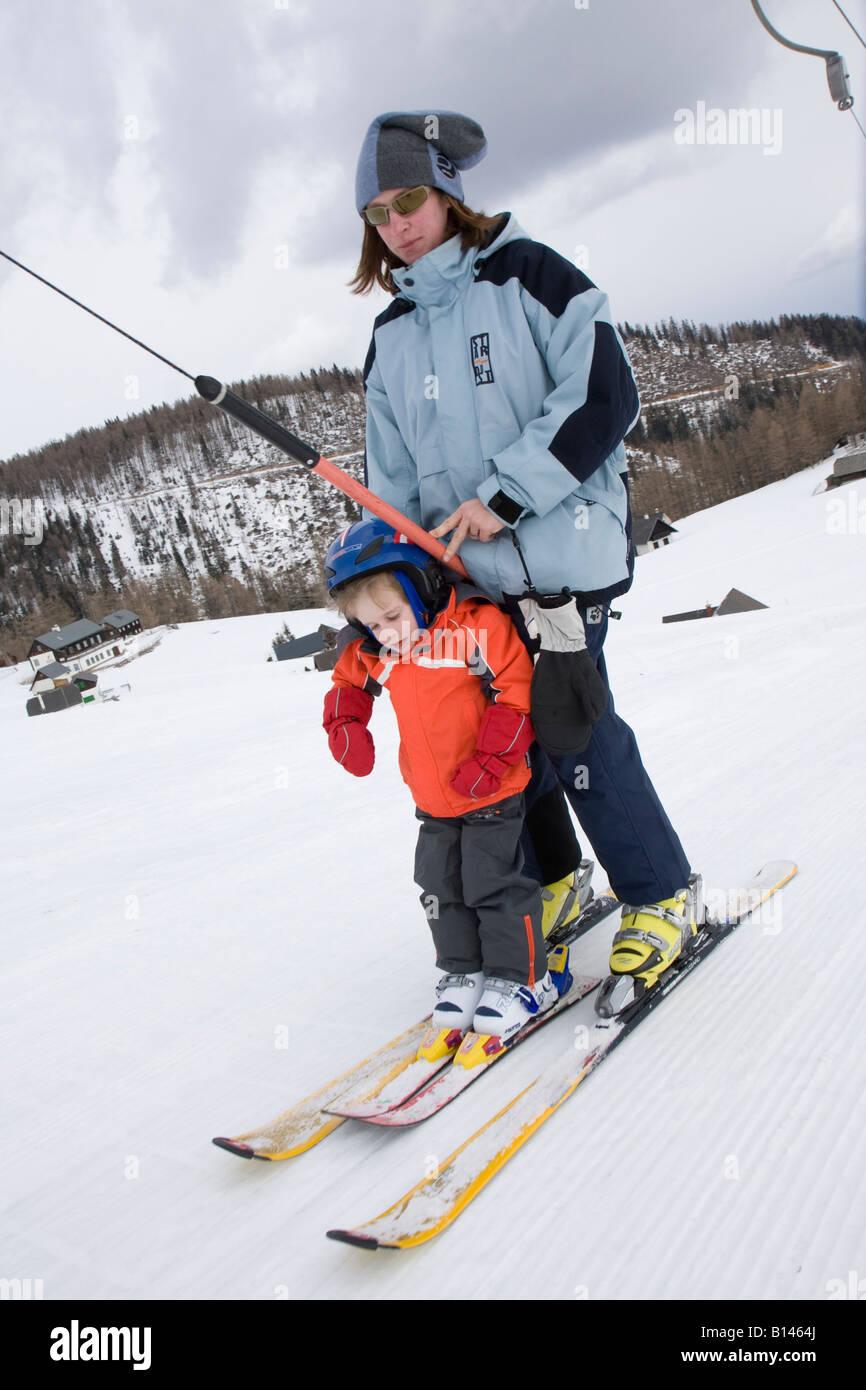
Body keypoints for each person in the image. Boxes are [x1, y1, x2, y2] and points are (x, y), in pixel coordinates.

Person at [350, 110, 700, 1009]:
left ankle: (661, 894)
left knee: (574, 730)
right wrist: (403, 576)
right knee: (499, 740)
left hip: (558, 561)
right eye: (378, 212)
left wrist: (505, 495)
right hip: (467, 586)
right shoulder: (389, 339)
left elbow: (603, 398)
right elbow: (391, 484)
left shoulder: (533, 276)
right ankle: (556, 876)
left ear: (450, 192)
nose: (396, 224)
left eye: (411, 198)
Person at [321, 517, 568, 1044]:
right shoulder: (379, 649)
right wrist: (344, 725)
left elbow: (517, 690)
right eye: (372, 625)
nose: (386, 632)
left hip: (491, 789)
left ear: (420, 585)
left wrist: (490, 760)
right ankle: (464, 970)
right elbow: (348, 681)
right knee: (438, 885)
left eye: (391, 615)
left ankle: (526, 979)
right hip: (432, 798)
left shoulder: (472, 628)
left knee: (490, 883)